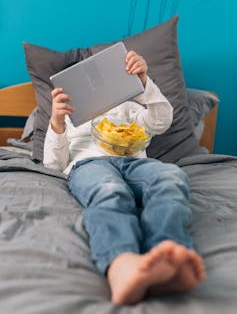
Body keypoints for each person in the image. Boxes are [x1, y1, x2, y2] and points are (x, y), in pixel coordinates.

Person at [43, 51, 206, 305]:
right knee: (109, 191)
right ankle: (122, 264)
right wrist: (57, 122)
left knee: (171, 177)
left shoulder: (127, 106)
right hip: (89, 164)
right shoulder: (69, 120)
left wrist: (144, 82)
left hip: (134, 162)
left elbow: (161, 121)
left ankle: (167, 257)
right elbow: (53, 164)